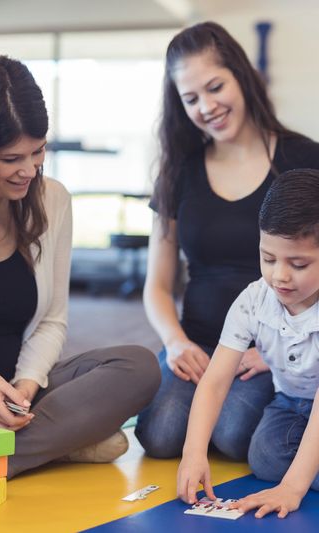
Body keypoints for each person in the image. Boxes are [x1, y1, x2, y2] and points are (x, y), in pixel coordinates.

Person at [0, 56, 161, 479]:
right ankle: (63, 441)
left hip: (24, 398)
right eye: (11, 158)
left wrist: (26, 385)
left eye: (38, 151)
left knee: (138, 366)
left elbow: (52, 320)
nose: (29, 170)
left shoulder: (53, 200)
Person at [135, 21, 319, 460]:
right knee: (160, 435)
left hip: (271, 345)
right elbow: (157, 285)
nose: (208, 107)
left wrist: (274, 348)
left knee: (235, 437)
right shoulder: (178, 172)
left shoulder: (304, 157)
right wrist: (176, 342)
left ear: (241, 75)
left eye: (215, 87)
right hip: (198, 343)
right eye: (191, 98)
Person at [178, 168, 319, 518]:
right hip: (291, 402)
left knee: (289, 474)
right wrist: (193, 453)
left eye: (298, 264)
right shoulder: (254, 299)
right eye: (268, 258)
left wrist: (292, 488)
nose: (279, 276)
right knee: (265, 458)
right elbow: (214, 381)